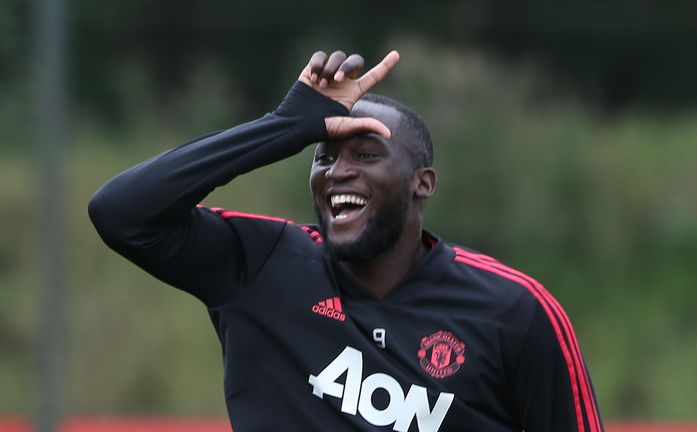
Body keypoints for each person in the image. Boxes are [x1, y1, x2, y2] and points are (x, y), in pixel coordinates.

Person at [89, 49, 603, 432]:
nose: (338, 171)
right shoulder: (261, 266)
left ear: (422, 183)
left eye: (365, 154)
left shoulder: (513, 310)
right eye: (324, 156)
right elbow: (122, 213)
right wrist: (284, 127)